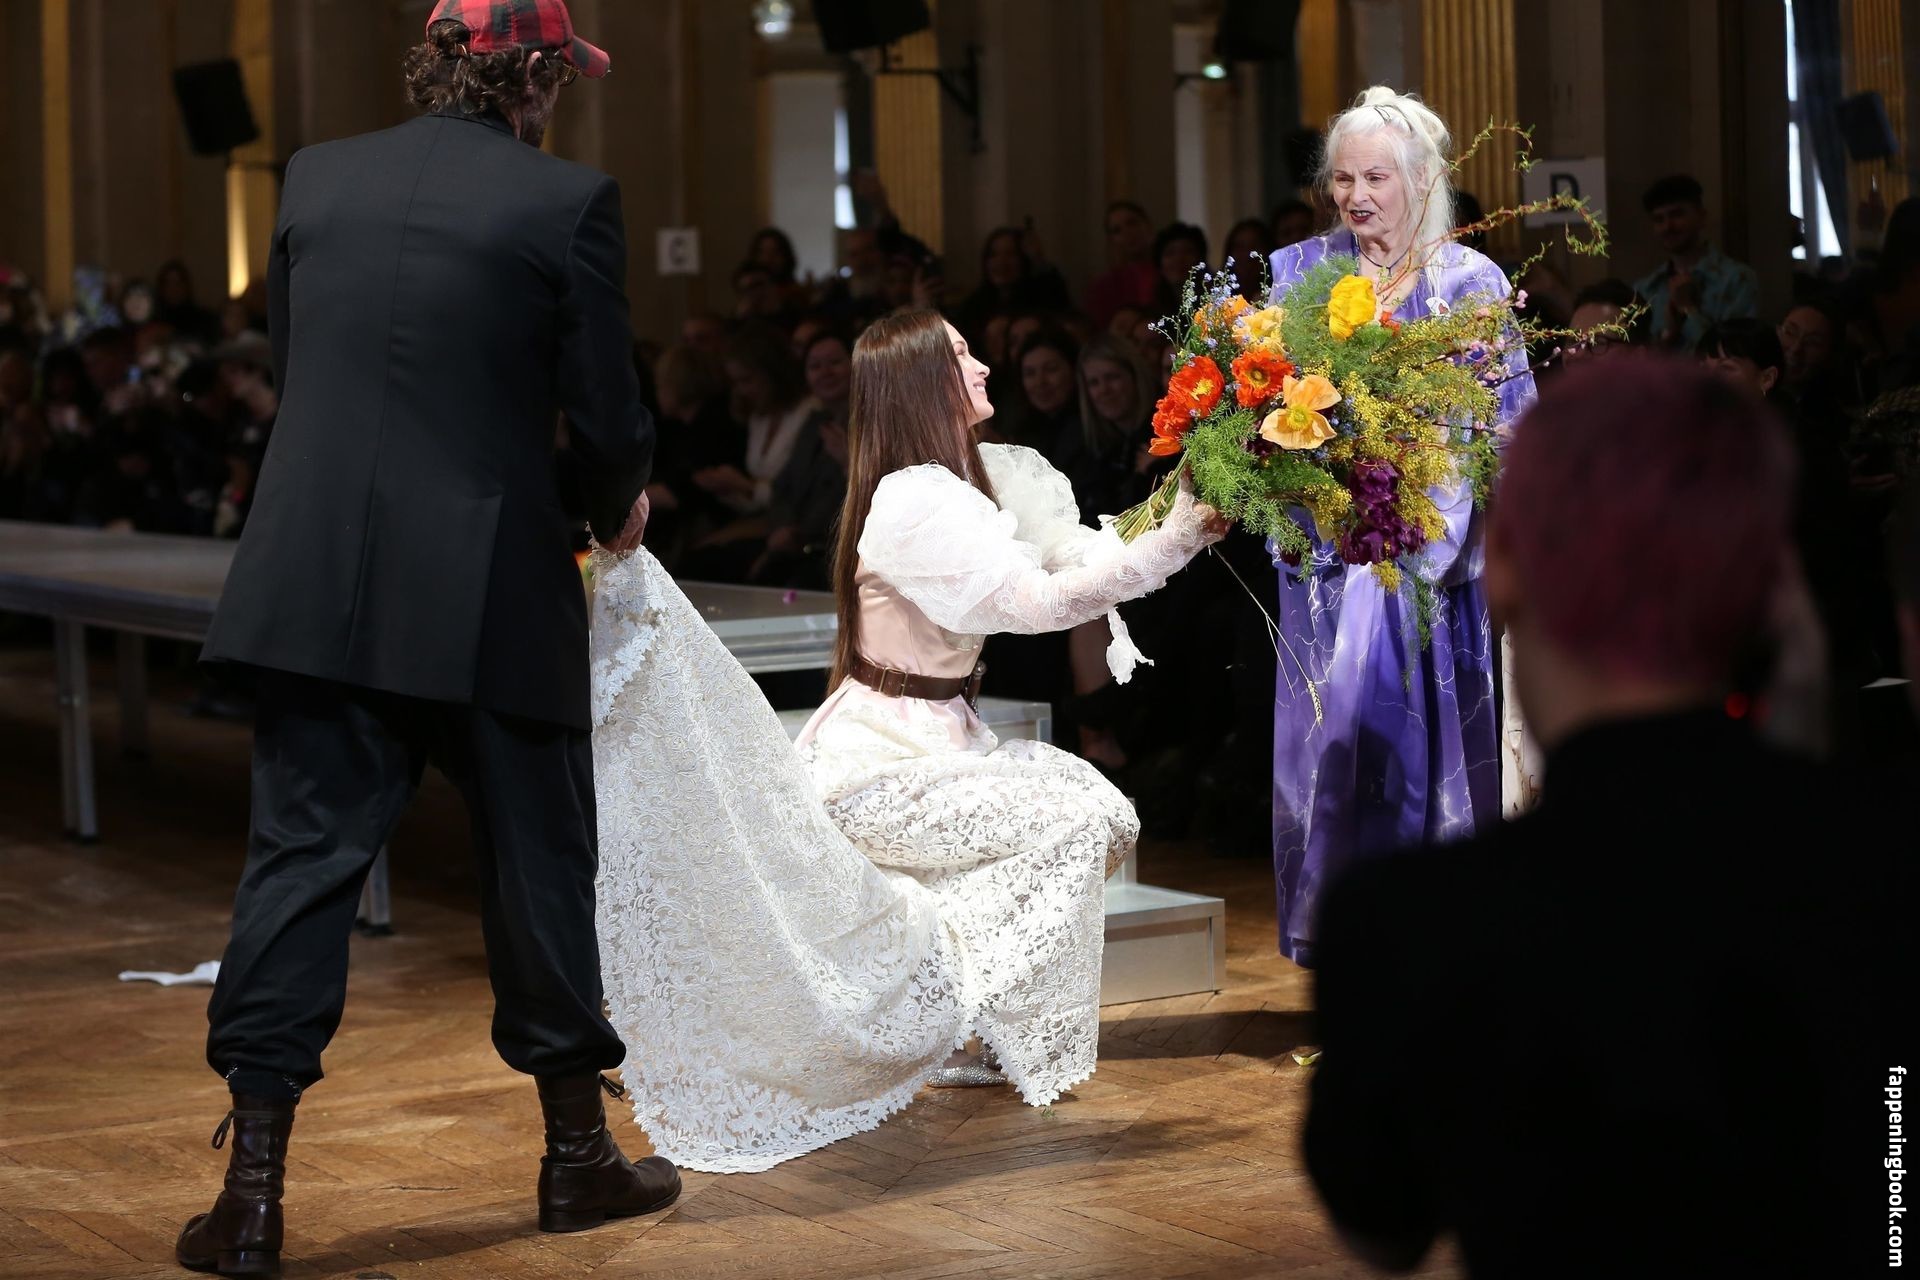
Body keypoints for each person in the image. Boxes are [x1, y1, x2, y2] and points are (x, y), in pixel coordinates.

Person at [183, 6, 677, 1272]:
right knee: (540, 867)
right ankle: (576, 1158)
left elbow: (301, 370)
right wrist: (613, 499)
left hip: (315, 581)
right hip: (487, 584)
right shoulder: (568, 201)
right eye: (563, 77)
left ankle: (251, 1198)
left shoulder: (314, 177)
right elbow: (604, 406)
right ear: (539, 74)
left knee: (298, 869)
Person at [587, 308, 1227, 1173]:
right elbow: (1038, 604)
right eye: (962, 356)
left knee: (1100, 815)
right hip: (875, 763)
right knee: (1082, 815)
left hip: (950, 742)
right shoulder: (914, 500)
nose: (984, 366)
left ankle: (959, 1008)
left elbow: (1081, 559)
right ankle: (955, 1013)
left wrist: (1195, 493)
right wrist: (1179, 537)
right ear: (924, 383)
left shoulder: (984, 476)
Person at [1303, 355, 1895, 1278]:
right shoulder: (1879, 870)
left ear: (1504, 574)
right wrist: (1810, 761)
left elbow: (1380, 1227)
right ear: (1767, 591)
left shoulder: (1414, 923)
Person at [1267, 86, 1534, 966]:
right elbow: (1261, 412)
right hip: (1329, 564)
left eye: (1375, 177)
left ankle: (1443, 952)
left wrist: (1437, 498)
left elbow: (1514, 427)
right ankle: (1347, 953)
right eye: (1343, 179)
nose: (1355, 195)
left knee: (1429, 753)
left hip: (1438, 568)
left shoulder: (1471, 282)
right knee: (1335, 751)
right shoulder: (1297, 273)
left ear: (1422, 181)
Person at [751, 328, 850, 588]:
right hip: (793, 541)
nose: (825, 372)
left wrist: (798, 533)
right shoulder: (814, 422)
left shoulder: (870, 423)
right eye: (815, 366)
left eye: (835, 363)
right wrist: (783, 527)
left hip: (835, 547)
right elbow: (782, 485)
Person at [1633, 173, 1759, 350]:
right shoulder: (1645, 289)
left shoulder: (1737, 280)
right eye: (1659, 219)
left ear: (1701, 216)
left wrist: (1687, 309)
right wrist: (1668, 336)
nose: (1668, 226)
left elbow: (1736, 354)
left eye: (1676, 215)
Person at [1084, 201, 1159, 331]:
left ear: (1148, 225)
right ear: (1111, 241)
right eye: (1117, 231)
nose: (1127, 233)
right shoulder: (1103, 287)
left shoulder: (1171, 272)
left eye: (1132, 223)